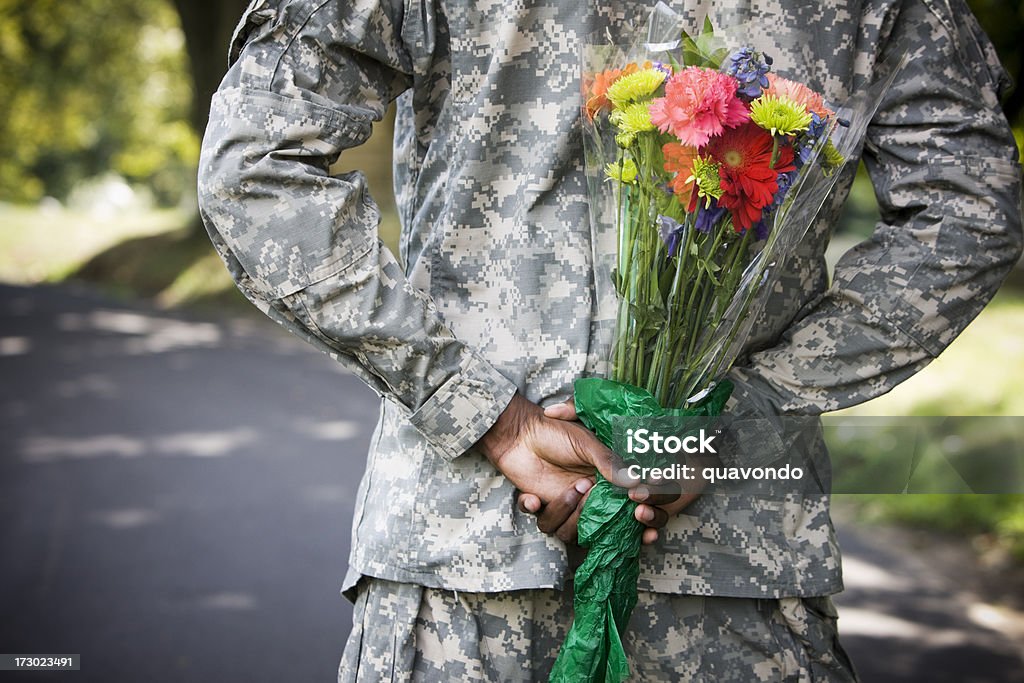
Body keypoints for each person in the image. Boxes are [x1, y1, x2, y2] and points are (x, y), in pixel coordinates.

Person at [197, 0, 1022, 679]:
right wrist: (743, 415)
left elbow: (253, 169)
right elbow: (971, 214)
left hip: (461, 549)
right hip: (735, 561)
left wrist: (487, 412)